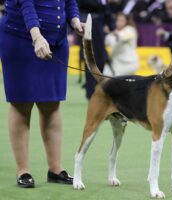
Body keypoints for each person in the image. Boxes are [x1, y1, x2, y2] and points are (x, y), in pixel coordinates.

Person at [0, 0, 84, 188]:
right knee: (21, 103)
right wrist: (36, 36)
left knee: (52, 103)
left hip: (56, 41)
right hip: (21, 37)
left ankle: (55, 169)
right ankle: (23, 170)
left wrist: (75, 20)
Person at [78, 0, 114, 99]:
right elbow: (81, 4)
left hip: (99, 26)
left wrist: (112, 27)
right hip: (87, 25)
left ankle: (98, 87)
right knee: (89, 58)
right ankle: (90, 92)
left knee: (101, 58)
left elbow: (107, 11)